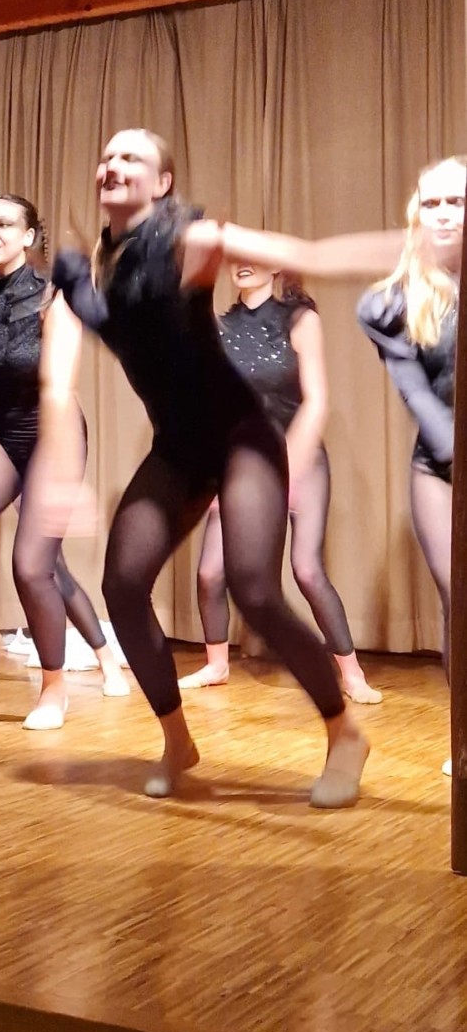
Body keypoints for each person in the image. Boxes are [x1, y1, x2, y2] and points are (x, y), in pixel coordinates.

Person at [47, 128, 398, 805]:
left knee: (254, 589)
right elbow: (57, 383)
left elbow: (309, 257)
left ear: (163, 183)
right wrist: (65, 474)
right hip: (177, 448)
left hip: (241, 436)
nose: (112, 164)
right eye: (107, 155)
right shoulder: (87, 267)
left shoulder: (190, 238)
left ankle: (344, 733)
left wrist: (417, 249)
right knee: (122, 585)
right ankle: (177, 740)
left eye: (131, 157)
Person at [0, 195, 125, 732]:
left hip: (52, 428)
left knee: (32, 565)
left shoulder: (52, 295)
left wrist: (66, 481)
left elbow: (58, 388)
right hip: (0, 427)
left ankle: (54, 687)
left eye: (3, 224)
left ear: (29, 236)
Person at [186, 264, 381, 705]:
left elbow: (316, 401)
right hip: (243, 463)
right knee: (210, 571)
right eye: (234, 257)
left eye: (252, 255)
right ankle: (217, 664)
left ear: (274, 265)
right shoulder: (220, 326)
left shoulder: (300, 319)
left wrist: (288, 466)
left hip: (301, 457)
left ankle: (352, 674)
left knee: (306, 569)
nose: (242, 263)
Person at [358, 155, 466, 777]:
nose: (444, 213)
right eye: (432, 203)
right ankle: (466, 736)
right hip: (441, 467)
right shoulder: (392, 303)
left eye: (457, 201)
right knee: (461, 599)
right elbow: (418, 397)